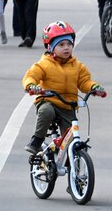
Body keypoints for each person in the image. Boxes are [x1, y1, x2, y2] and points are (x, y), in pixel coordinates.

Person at [21, 21, 106, 154]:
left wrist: (94, 87)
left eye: (69, 44)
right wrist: (31, 86)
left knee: (71, 139)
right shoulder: (44, 64)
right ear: (50, 48)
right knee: (46, 111)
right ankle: (37, 140)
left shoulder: (77, 66)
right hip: (49, 101)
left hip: (68, 106)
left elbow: (84, 82)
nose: (66, 48)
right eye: (61, 45)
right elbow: (31, 75)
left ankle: (71, 160)